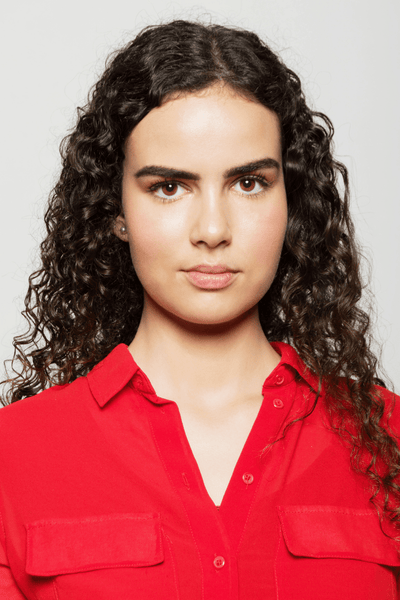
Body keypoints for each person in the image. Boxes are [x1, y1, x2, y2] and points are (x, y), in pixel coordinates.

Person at [0, 18, 399, 600]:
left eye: (248, 183)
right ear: (115, 210)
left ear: (293, 201)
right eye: (169, 187)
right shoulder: (14, 457)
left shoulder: (388, 438)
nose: (212, 230)